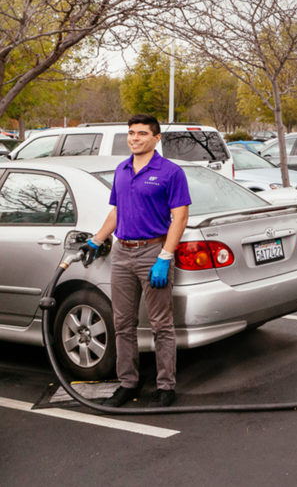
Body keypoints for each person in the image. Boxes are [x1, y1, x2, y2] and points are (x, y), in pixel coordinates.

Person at [84, 114, 191, 407]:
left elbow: (180, 216)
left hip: (153, 252)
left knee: (161, 325)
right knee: (122, 323)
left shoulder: (170, 172)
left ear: (156, 139)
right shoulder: (121, 169)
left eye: (142, 133)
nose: (134, 138)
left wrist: (165, 257)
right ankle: (128, 383)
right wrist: (96, 239)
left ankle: (166, 386)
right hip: (121, 252)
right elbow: (116, 212)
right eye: (131, 133)